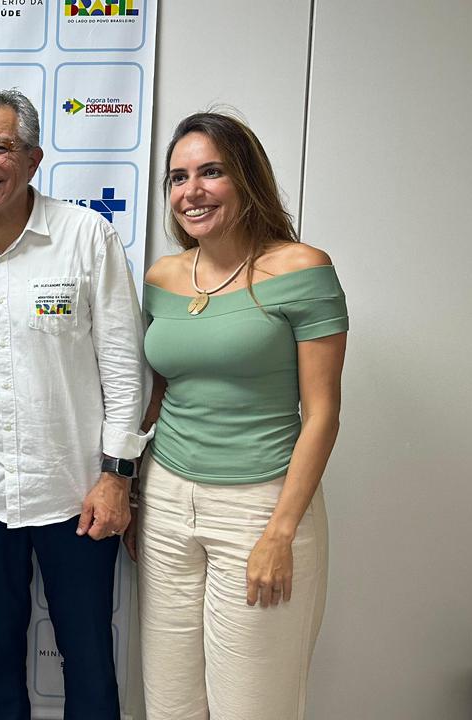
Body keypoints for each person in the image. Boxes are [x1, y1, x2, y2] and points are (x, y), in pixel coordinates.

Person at [0, 90, 148, 719]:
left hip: (78, 494)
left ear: (35, 157)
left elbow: (125, 366)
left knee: (89, 657)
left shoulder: (86, 236)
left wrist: (116, 476)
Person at [127, 111, 347, 720]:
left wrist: (279, 532)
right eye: (177, 177)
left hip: (260, 506)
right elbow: (162, 389)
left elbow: (323, 412)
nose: (191, 191)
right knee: (170, 705)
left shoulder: (302, 268)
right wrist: (136, 493)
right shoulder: (163, 277)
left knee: (253, 708)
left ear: (246, 179)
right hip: (167, 500)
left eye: (211, 172)